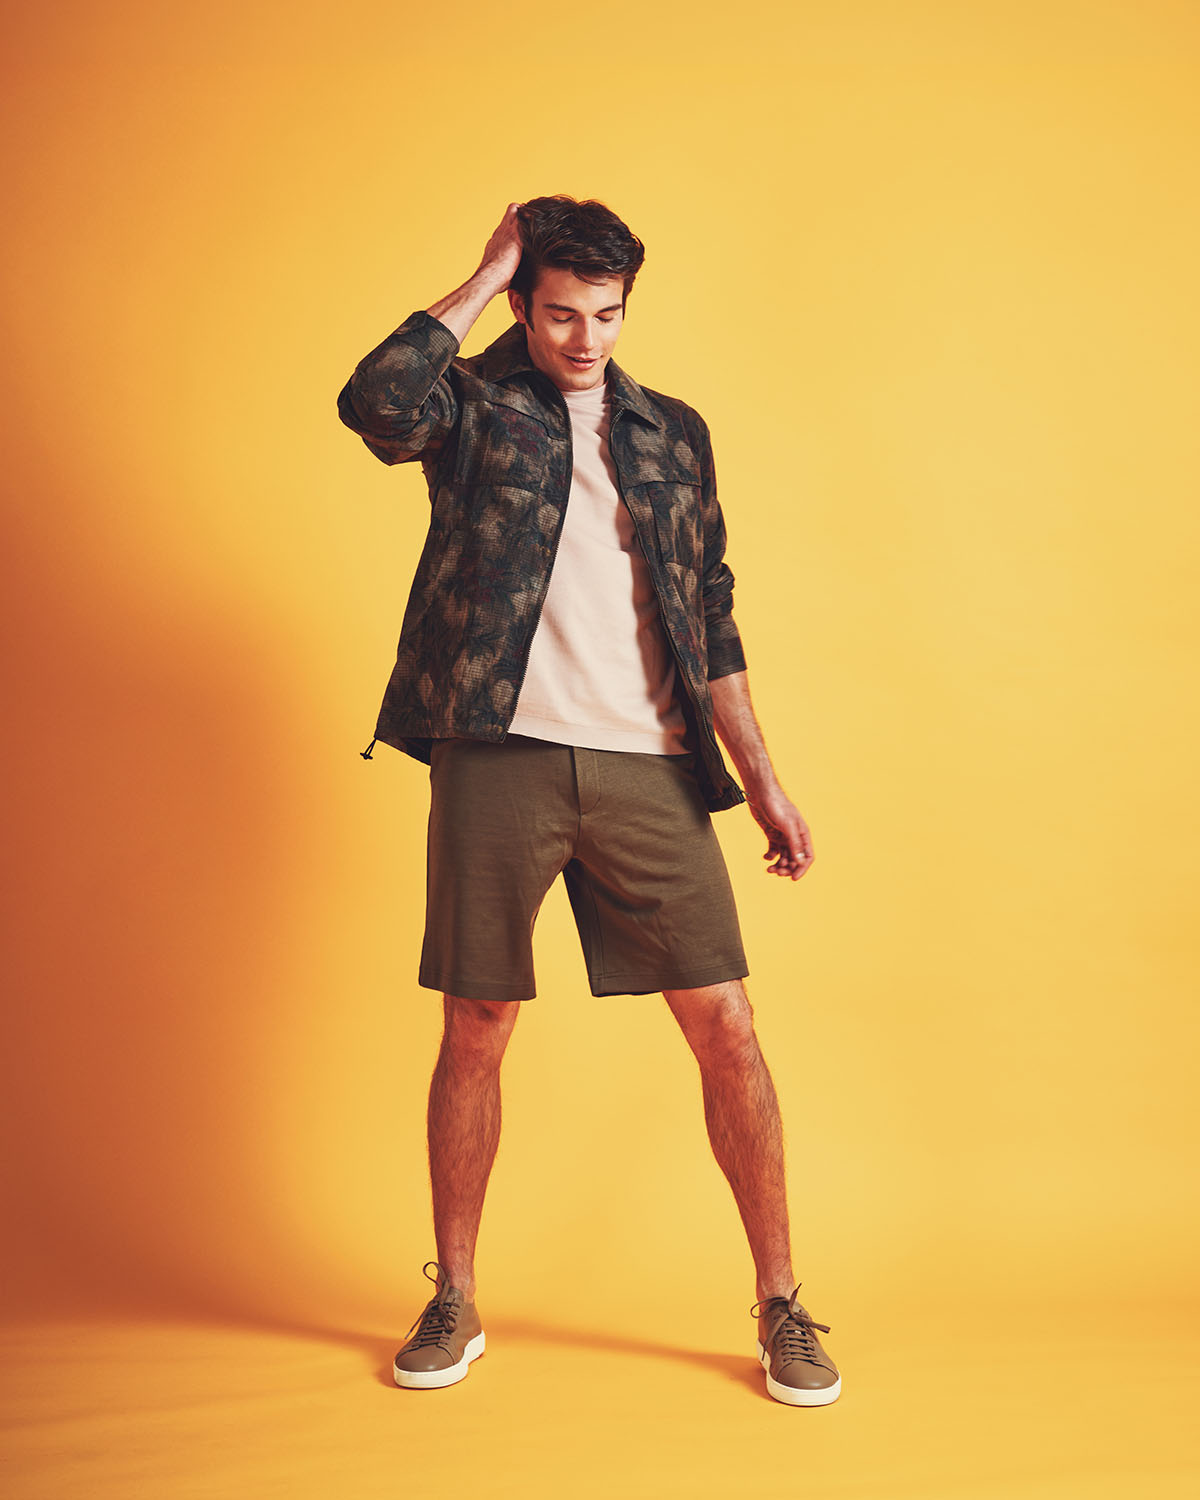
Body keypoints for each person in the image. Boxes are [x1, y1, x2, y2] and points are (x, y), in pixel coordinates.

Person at [336, 196, 840, 1406]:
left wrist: (763, 780)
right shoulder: (471, 404)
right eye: (561, 313)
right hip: (499, 752)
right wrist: (480, 275)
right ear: (525, 304)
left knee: (728, 1026)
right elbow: (375, 404)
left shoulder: (673, 433)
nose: (585, 339)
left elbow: (712, 612)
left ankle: (782, 1303)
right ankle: (455, 1299)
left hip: (650, 766)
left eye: (607, 316)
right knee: (477, 1023)